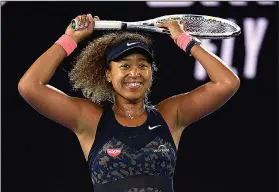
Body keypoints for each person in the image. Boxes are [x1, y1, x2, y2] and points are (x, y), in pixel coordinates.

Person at [18, 14, 240, 192]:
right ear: (108, 74)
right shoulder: (90, 120)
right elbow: (30, 86)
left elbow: (227, 82)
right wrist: (70, 39)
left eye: (143, 66)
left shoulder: (171, 115)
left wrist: (184, 40)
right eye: (124, 66)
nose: (135, 73)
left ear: (151, 74)